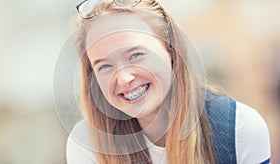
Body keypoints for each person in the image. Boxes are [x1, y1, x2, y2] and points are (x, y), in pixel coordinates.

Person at [65, 0, 271, 163]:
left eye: (135, 55)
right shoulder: (87, 145)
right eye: (104, 66)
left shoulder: (239, 129)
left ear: (171, 50)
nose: (124, 78)